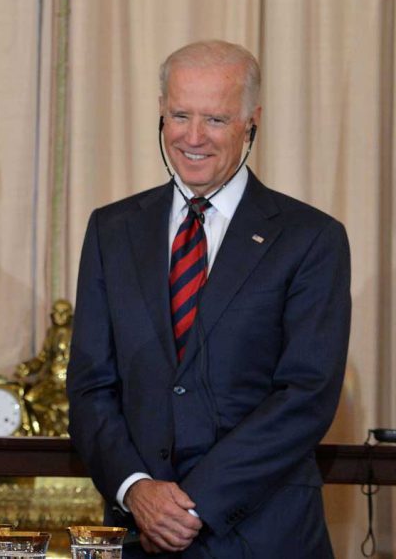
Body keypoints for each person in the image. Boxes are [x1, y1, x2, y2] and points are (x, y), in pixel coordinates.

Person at [66, 40, 350, 557]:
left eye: (215, 120)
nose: (193, 137)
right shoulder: (112, 229)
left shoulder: (311, 238)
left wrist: (193, 503)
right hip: (139, 534)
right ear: (160, 111)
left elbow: (306, 394)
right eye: (180, 115)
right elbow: (90, 386)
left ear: (251, 122)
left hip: (264, 533)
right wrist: (137, 489)